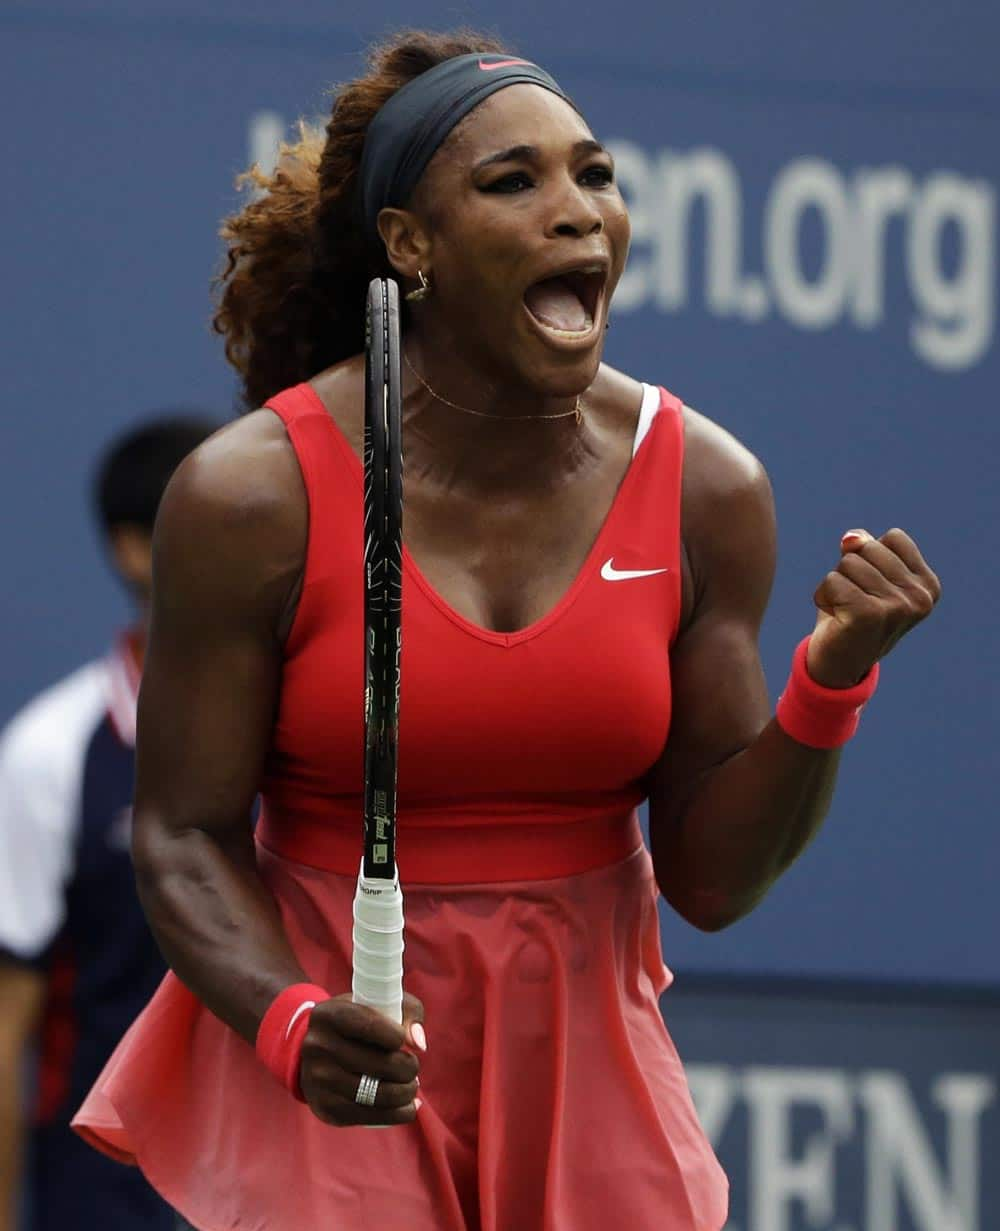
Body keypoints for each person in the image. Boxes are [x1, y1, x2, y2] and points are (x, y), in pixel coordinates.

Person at [72, 29, 941, 1231]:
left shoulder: (708, 489)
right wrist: (290, 1017)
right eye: (512, 182)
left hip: (589, 1065)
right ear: (408, 245)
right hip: (339, 1045)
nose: (578, 212)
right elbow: (181, 832)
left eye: (593, 174)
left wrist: (827, 686)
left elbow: (711, 877)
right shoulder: (250, 494)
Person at [0, 415, 219, 1231]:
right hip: (95, 1206)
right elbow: (8, 1026)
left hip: (280, 1197)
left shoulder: (323, 739)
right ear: (134, 550)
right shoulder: (48, 754)